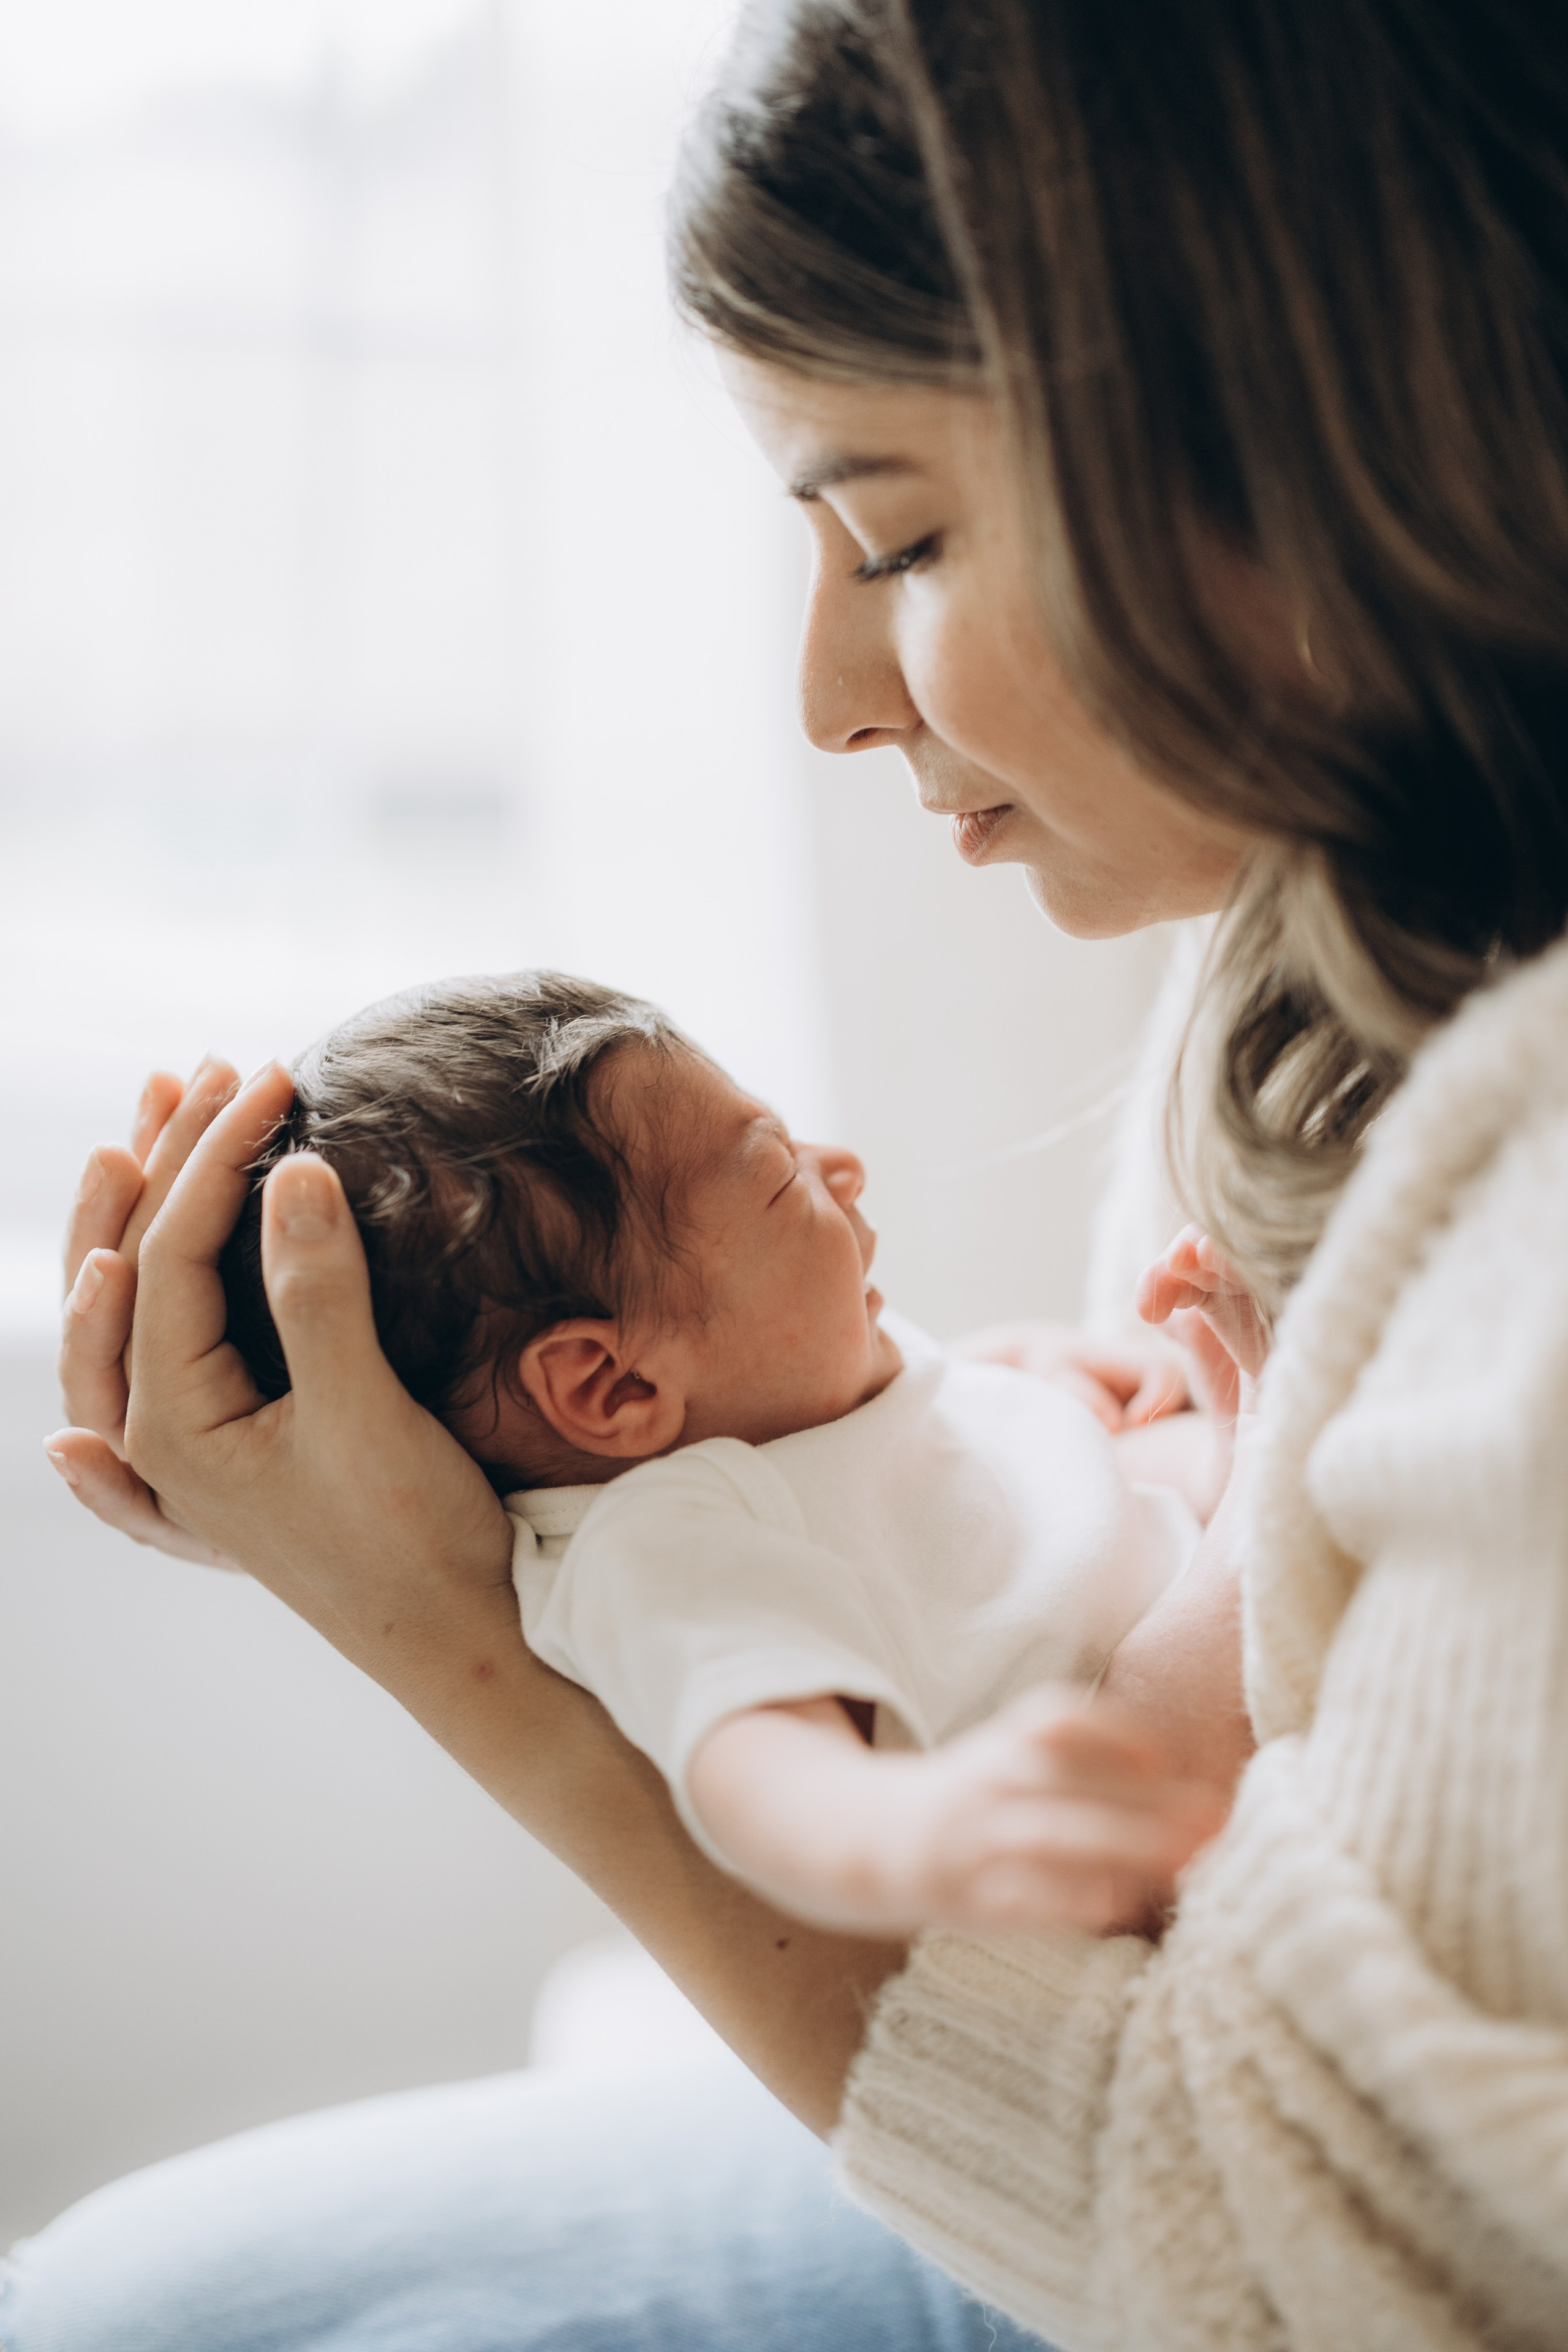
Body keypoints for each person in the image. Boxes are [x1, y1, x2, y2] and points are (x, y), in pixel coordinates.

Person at [10, 0, 1568, 2343]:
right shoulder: (1311, 912)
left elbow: (1325, 2260)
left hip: (1253, 2207)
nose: (831, 699)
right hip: (1159, 2053)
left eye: (900, 535)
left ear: (1292, 420)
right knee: (115, 2301)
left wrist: (454, 1634)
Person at [219, 968, 1224, 1941]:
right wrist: (920, 1826)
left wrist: (1020, 1369)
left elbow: (908, 1452)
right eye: (781, 1177)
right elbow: (764, 1774)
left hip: (1187, 1569)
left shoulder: (789, 1391)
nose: (842, 1166)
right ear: (616, 1388)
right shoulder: (665, 1549)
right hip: (1155, 1803)